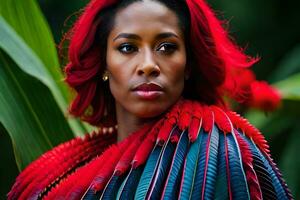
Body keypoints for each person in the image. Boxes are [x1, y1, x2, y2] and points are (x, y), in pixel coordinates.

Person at [8, 0, 293, 199]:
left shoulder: (218, 149)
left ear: (189, 64)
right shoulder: (52, 172)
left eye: (167, 47)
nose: (148, 64)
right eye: (128, 47)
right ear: (103, 64)